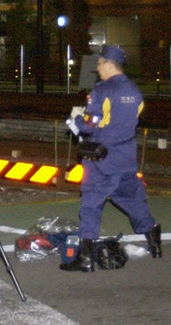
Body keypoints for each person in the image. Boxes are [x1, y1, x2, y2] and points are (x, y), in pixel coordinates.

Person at [61, 45, 162, 271]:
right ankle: (154, 239)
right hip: (125, 158)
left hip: (101, 158)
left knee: (90, 205)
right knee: (132, 200)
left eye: (99, 64)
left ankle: (85, 258)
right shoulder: (135, 92)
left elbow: (90, 124)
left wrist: (76, 120)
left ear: (108, 63)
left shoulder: (102, 91)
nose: (97, 69)